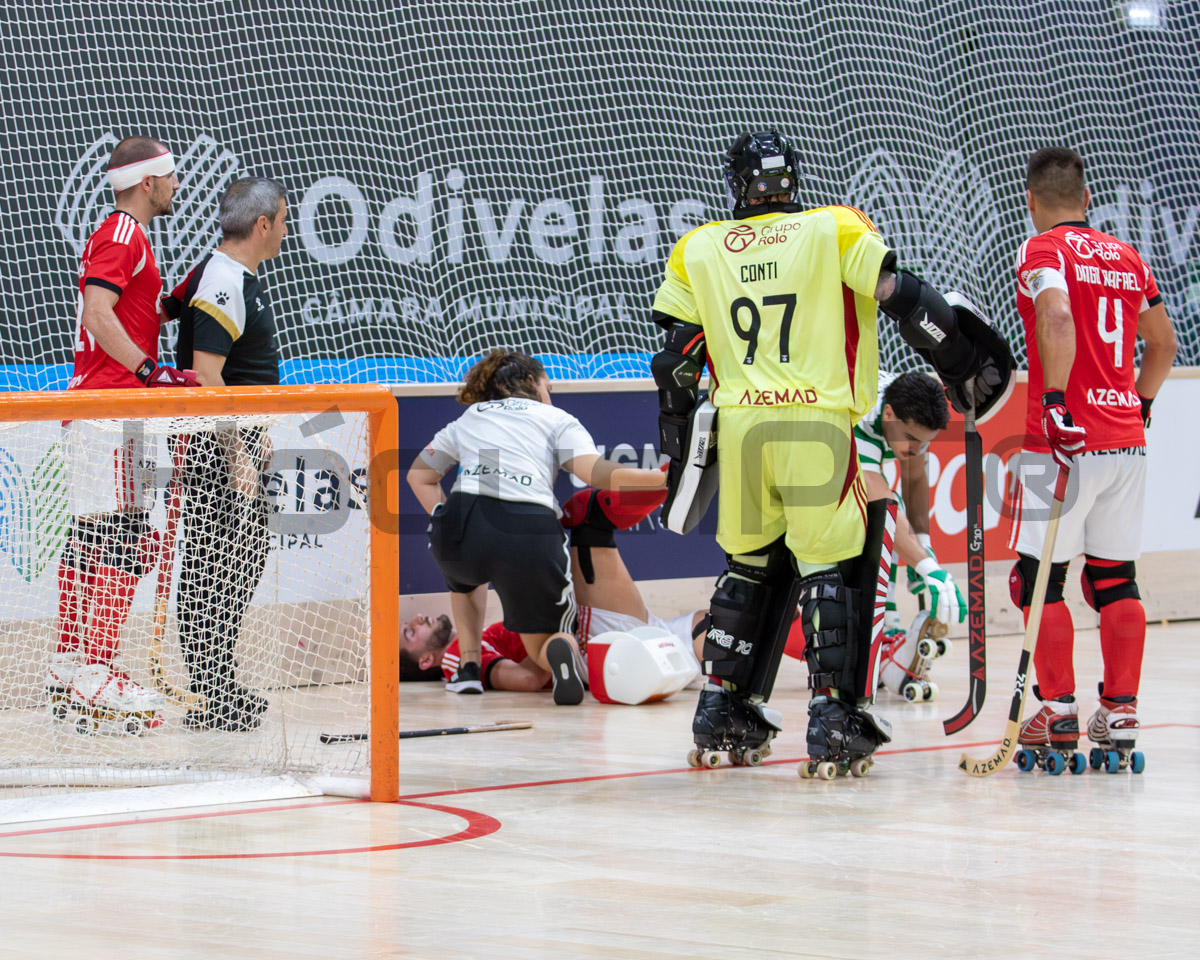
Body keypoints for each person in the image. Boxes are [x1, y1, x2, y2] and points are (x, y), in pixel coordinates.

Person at [650, 129, 1007, 775]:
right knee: (830, 569)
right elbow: (903, 295)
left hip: (742, 425)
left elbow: (675, 359)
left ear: (736, 181)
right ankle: (836, 718)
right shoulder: (832, 227)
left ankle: (722, 709)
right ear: (795, 179)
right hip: (815, 419)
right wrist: (960, 359)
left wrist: (678, 443)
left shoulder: (698, 247)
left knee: (748, 566)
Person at [1009, 147, 1176, 770]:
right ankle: (1121, 710)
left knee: (1036, 580)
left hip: (1060, 441)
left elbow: (1053, 311)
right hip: (1125, 439)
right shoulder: (1129, 258)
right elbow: (1162, 343)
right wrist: (1142, 405)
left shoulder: (1041, 250)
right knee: (1113, 578)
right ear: (1087, 198)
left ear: (1032, 201)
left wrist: (1055, 400)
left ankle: (1058, 707)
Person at [407, 350, 668, 705]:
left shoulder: (471, 416)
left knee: (465, 582)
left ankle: (468, 668)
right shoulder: (556, 418)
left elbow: (418, 475)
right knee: (542, 638)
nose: (550, 393)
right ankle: (556, 653)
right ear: (531, 383)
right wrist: (656, 479)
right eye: (548, 385)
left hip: (460, 525)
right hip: (527, 529)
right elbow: (593, 472)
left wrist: (441, 514)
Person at [49, 135, 200, 731]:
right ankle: (98, 668)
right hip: (112, 411)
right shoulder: (122, 234)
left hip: (104, 410)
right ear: (148, 183)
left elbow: (121, 308)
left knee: (94, 540)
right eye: (171, 178)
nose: (176, 187)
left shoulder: (126, 238)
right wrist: (147, 370)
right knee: (118, 540)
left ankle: (71, 665)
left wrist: (167, 308)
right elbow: (97, 310)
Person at [160, 177, 288, 732]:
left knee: (238, 568)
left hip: (239, 443)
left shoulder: (232, 277)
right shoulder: (223, 280)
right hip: (219, 448)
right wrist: (238, 452)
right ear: (263, 225)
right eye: (283, 221)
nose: (285, 233)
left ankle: (219, 684)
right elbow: (207, 375)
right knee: (212, 569)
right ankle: (211, 694)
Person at [399, 491, 705, 695]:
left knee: (719, 630)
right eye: (410, 633)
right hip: (591, 646)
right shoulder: (456, 659)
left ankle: (674, 480)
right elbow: (528, 679)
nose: (416, 619)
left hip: (598, 636)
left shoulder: (468, 640)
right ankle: (671, 481)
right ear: (426, 661)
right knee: (588, 520)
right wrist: (550, 636)